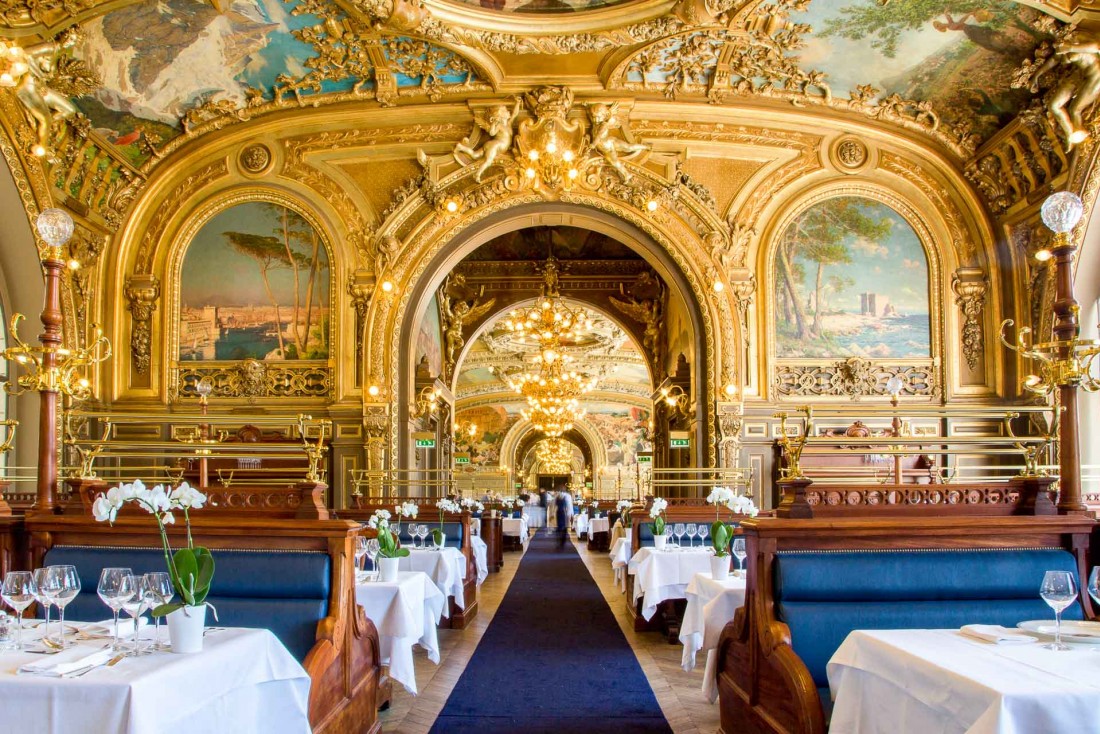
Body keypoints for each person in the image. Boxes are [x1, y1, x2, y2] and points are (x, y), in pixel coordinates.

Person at [555, 484, 573, 549]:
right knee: (560, 527)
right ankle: (560, 541)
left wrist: (570, 515)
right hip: (559, 513)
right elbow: (555, 505)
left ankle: (562, 541)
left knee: (563, 527)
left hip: (564, 513)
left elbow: (569, 506)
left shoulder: (567, 496)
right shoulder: (557, 496)